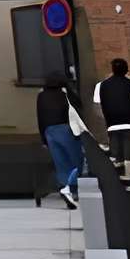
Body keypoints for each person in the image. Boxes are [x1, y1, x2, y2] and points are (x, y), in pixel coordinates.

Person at [97, 57, 130, 173]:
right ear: (126, 70)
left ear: (112, 70)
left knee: (116, 158)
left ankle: (121, 184)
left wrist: (107, 120)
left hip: (112, 126)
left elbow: (98, 106)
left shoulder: (101, 86)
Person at [38, 71, 82, 205]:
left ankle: (64, 187)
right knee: (76, 159)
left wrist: (43, 139)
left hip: (49, 130)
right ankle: (72, 188)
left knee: (60, 162)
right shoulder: (64, 94)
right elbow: (78, 105)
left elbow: (39, 116)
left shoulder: (41, 96)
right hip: (65, 128)